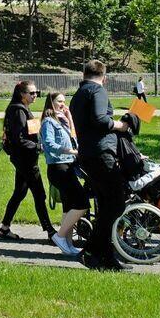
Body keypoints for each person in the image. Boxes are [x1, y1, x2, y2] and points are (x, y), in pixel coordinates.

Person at [68, 60, 125, 268]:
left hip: (87, 153)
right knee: (116, 203)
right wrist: (120, 124)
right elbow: (100, 119)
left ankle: (106, 256)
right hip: (101, 154)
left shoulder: (78, 94)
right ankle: (91, 250)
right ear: (104, 77)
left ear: (83, 74)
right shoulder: (97, 91)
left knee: (106, 205)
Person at [0, 80, 57, 242]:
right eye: (31, 93)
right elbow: (19, 139)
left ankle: (4, 228)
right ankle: (51, 232)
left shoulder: (23, 109)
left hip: (24, 158)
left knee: (20, 192)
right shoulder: (18, 111)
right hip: (26, 160)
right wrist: (39, 147)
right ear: (21, 94)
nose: (35, 95)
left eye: (36, 92)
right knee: (39, 194)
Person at [40, 91, 89, 257]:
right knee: (82, 202)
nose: (63, 104)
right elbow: (49, 144)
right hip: (58, 167)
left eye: (64, 101)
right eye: (59, 101)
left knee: (68, 206)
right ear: (51, 103)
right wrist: (71, 151)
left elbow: (74, 139)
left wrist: (70, 119)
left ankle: (68, 244)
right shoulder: (49, 121)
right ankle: (59, 237)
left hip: (68, 166)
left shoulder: (61, 121)